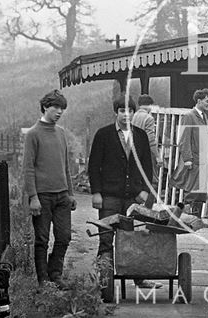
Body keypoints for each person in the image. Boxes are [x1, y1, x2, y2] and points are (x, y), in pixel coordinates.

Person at [88, 94, 159, 289]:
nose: (126, 115)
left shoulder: (141, 136)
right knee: (105, 238)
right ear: (116, 112)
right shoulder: (103, 135)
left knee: (134, 238)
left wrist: (145, 190)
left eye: (130, 111)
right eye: (122, 111)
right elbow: (94, 166)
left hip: (133, 198)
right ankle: (104, 282)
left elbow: (147, 166)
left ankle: (138, 278)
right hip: (109, 197)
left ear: (134, 113)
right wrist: (96, 193)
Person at [23, 90, 76, 288]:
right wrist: (33, 197)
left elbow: (66, 166)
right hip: (42, 197)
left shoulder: (61, 133)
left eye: (62, 108)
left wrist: (70, 193)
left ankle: (56, 274)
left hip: (62, 195)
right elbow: (27, 168)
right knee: (42, 240)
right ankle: (43, 280)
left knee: (64, 237)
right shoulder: (33, 134)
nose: (60, 112)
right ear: (46, 107)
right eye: (56, 107)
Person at [170, 88, 208, 218]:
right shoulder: (189, 116)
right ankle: (185, 218)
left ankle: (196, 219)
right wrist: (187, 159)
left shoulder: (204, 117)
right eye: (207, 101)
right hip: (195, 159)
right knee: (191, 190)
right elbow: (184, 139)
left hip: (205, 160)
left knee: (201, 191)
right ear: (199, 101)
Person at [131, 94, 160, 184]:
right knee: (152, 179)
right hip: (146, 153)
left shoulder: (133, 116)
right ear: (149, 105)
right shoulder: (149, 118)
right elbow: (150, 140)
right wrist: (158, 156)